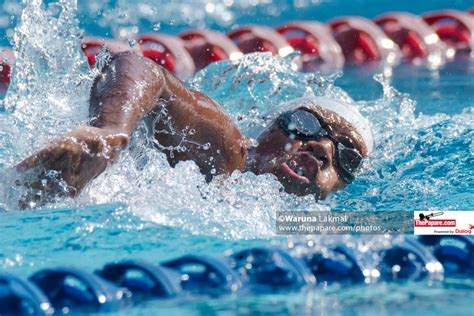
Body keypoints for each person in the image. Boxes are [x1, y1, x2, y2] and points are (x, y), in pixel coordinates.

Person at [15, 52, 374, 208]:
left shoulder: (310, 226)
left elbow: (427, 223)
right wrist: (110, 130)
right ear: (270, 128)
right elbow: (142, 70)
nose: (322, 148)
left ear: (343, 184)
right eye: (306, 124)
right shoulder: (227, 150)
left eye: (347, 157)